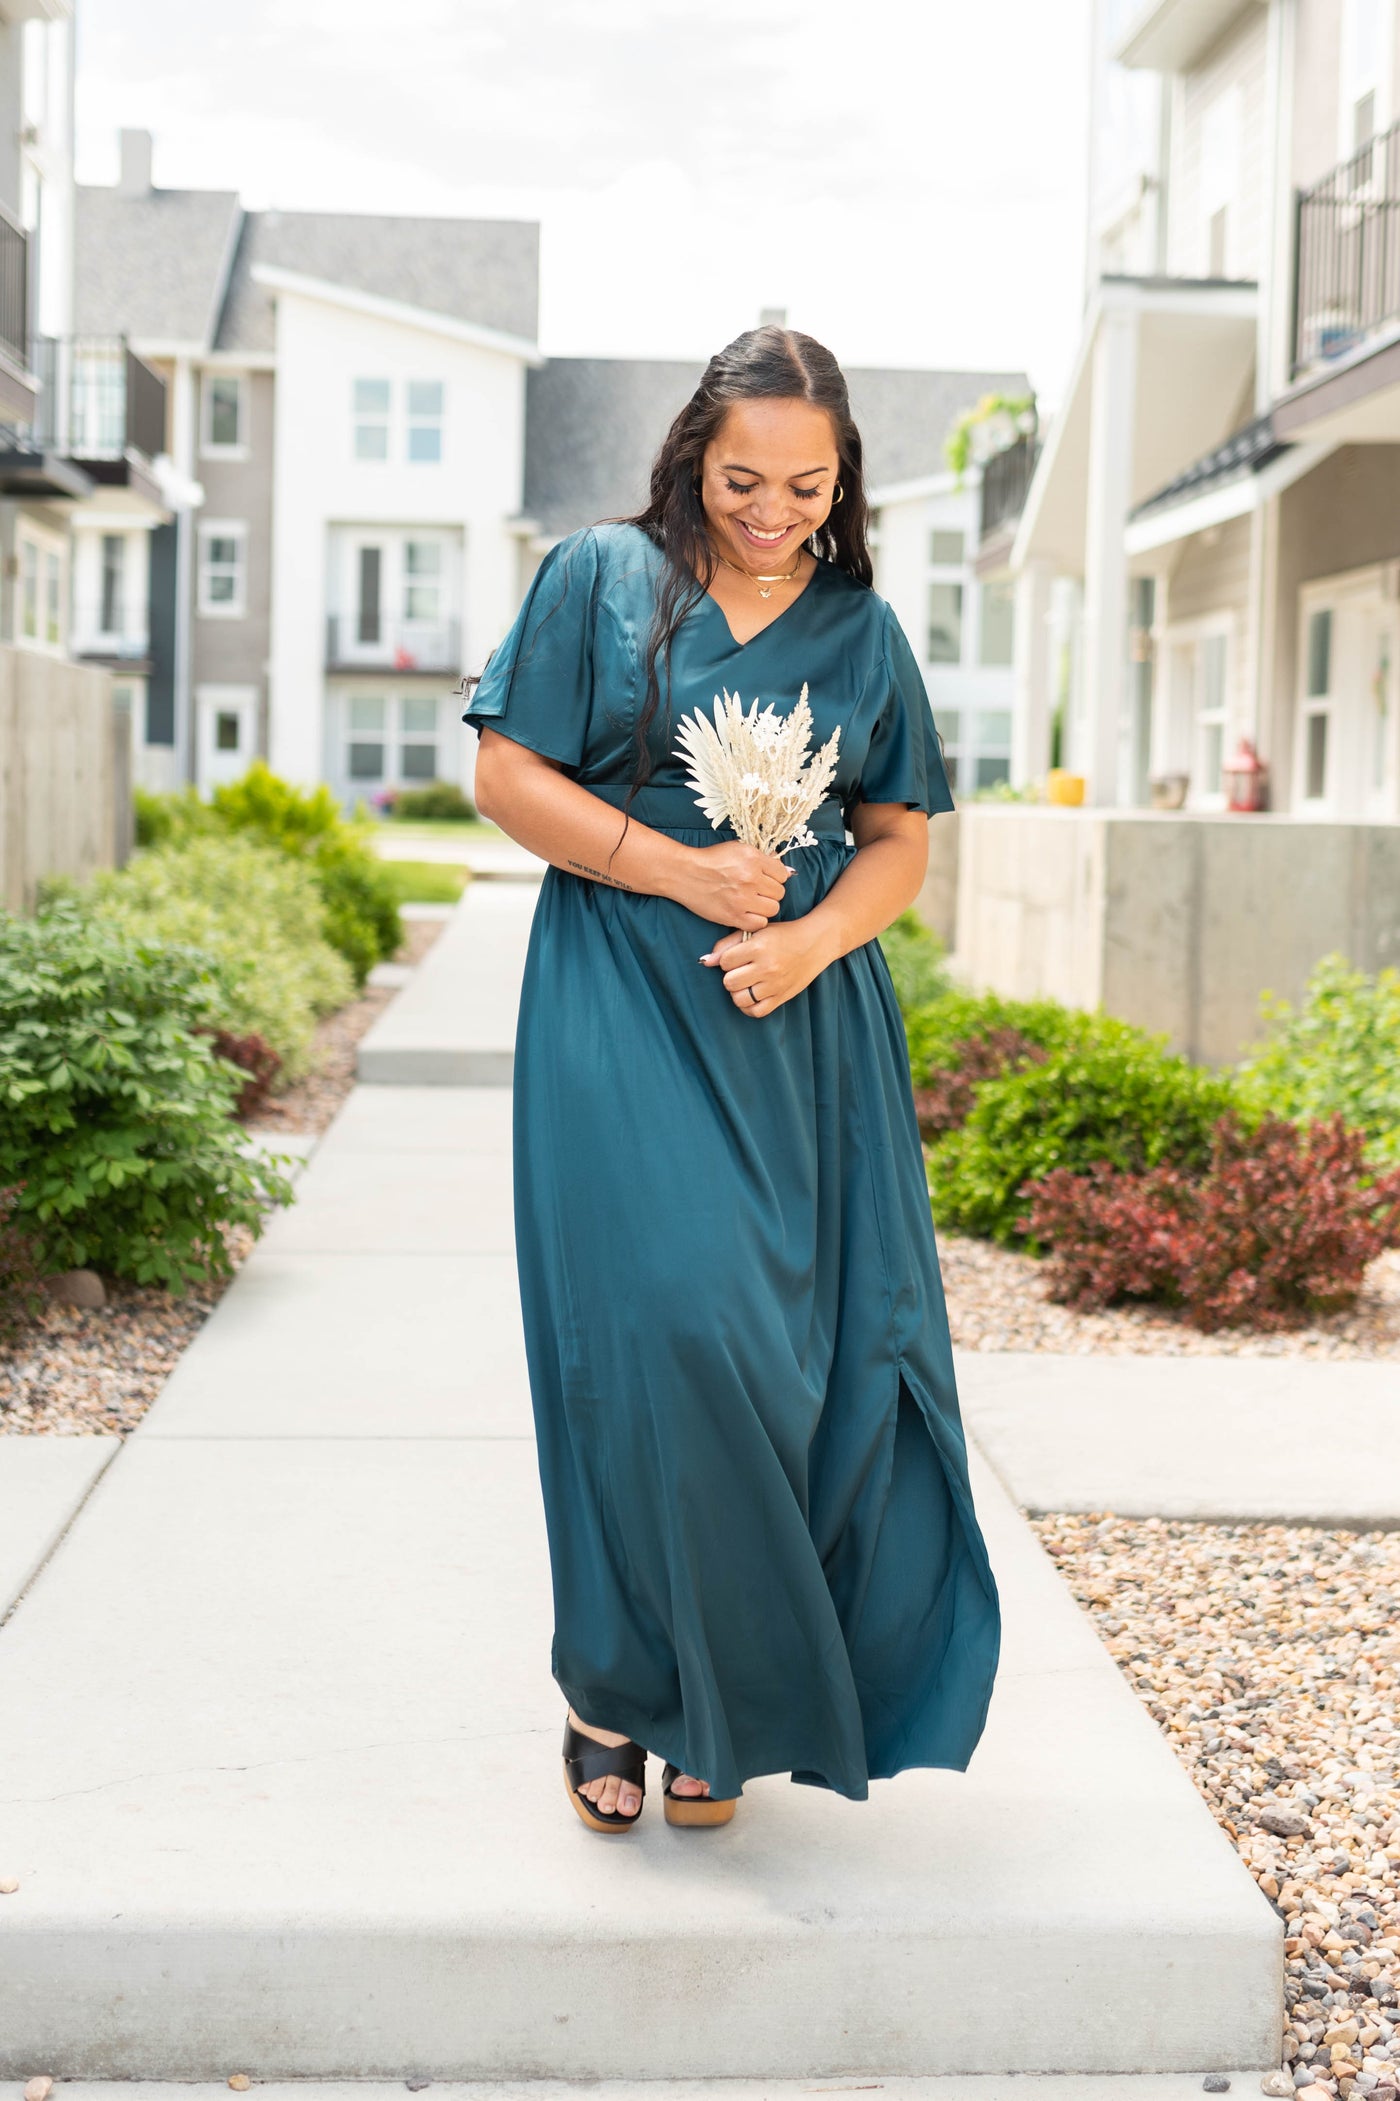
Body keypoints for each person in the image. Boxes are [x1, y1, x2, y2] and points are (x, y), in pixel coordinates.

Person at [462, 323, 1000, 1835]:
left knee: (787, 1366)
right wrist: (681, 875)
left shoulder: (860, 630)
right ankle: (607, 1686)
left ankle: (720, 1704)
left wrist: (817, 936)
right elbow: (507, 773)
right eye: (745, 476)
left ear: (843, 482)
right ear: (696, 455)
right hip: (618, 1003)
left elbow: (899, 836)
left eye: (806, 483)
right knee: (653, 1334)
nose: (772, 509)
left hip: (800, 1028)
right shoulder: (597, 580)